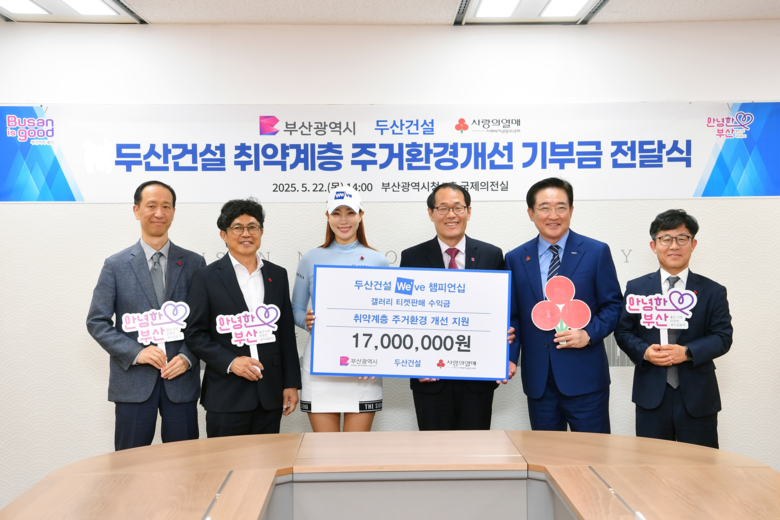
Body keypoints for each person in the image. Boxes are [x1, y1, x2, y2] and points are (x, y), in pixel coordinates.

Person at [87, 180, 205, 451]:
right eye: (151, 206)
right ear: (136, 210)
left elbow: (203, 322)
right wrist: (136, 352)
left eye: (166, 206)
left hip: (180, 381)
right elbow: (97, 322)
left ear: (173, 212)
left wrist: (187, 357)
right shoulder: (115, 265)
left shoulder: (194, 263)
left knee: (185, 463)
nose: (159, 213)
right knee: (129, 465)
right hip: (133, 383)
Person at [506, 177, 622, 433]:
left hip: (586, 379)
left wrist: (588, 334)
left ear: (571, 210)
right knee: (545, 453)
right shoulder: (515, 258)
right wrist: (509, 358)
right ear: (531, 213)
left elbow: (613, 306)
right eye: (544, 208)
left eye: (561, 207)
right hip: (539, 382)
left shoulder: (596, 251)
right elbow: (513, 316)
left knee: (593, 453)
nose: (553, 215)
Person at [400, 182, 514, 431]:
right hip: (430, 377)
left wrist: (506, 351)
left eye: (458, 208)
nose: (451, 215)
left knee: (475, 450)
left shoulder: (491, 255)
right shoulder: (412, 257)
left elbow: (505, 310)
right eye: (443, 208)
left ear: (468, 211)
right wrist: (414, 363)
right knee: (433, 450)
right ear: (431, 213)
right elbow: (404, 315)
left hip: (478, 378)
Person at [615, 210, 732, 448]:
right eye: (666, 239)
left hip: (698, 397)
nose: (674, 246)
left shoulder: (713, 291)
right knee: (651, 464)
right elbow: (623, 332)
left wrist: (687, 352)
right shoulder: (636, 288)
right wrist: (645, 352)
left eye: (682, 238)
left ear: (693, 244)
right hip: (651, 395)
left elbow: (723, 337)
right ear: (654, 245)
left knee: (700, 465)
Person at [184, 198, 301, 438]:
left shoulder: (277, 275)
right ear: (224, 235)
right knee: (226, 461)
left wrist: (290, 383)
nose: (246, 234)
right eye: (237, 227)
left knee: (269, 459)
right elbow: (195, 334)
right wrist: (231, 361)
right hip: (226, 394)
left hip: (270, 392)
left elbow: (286, 333)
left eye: (252, 227)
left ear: (261, 232)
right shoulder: (206, 277)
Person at [293, 186, 389, 432]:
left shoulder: (378, 260)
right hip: (320, 365)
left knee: (355, 450)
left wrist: (376, 359)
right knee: (325, 449)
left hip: (363, 365)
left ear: (361, 215)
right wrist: (306, 321)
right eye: (336, 213)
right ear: (327, 216)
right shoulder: (311, 258)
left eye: (350, 213)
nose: (343, 220)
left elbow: (386, 316)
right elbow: (296, 308)